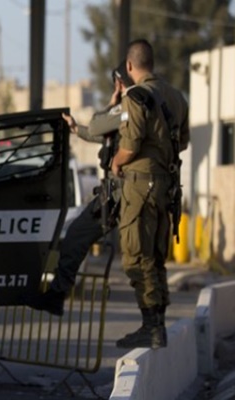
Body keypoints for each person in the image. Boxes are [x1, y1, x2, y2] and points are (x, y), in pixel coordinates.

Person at [28, 63, 131, 316]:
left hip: (123, 193)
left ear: (119, 83)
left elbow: (98, 126)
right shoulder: (144, 106)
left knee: (78, 236)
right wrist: (75, 128)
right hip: (127, 192)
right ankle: (56, 295)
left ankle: (57, 294)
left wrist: (111, 104)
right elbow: (105, 135)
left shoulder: (130, 106)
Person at [110, 39, 189, 349]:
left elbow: (129, 147)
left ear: (130, 66)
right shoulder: (177, 97)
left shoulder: (136, 96)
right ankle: (158, 324)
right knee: (155, 257)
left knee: (136, 256)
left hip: (140, 186)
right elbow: (183, 141)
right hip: (166, 186)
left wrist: (116, 163)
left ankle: (151, 327)